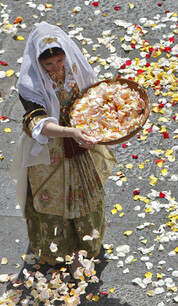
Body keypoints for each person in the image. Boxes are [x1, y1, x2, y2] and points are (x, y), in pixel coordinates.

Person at [10, 22, 116, 276]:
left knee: (87, 194)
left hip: (80, 141)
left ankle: (86, 250)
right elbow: (38, 123)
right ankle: (59, 251)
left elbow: (91, 97)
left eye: (59, 61)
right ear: (38, 64)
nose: (56, 68)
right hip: (51, 147)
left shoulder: (74, 69)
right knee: (54, 201)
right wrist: (71, 132)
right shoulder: (30, 84)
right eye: (49, 65)